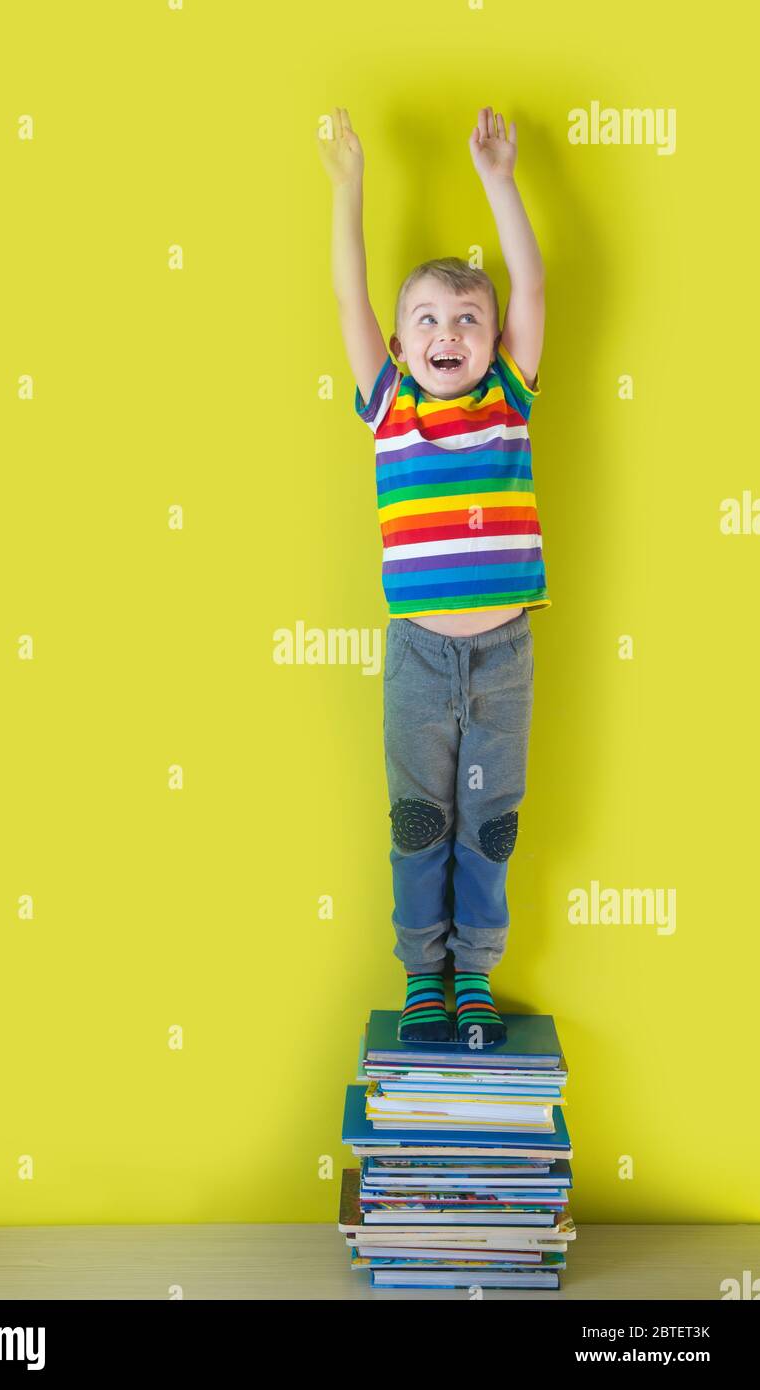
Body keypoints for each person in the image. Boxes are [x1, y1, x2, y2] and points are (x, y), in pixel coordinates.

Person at [317, 106, 551, 1046]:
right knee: (420, 820)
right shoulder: (389, 406)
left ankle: (475, 975)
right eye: (426, 319)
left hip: (504, 660)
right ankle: (423, 969)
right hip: (418, 659)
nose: (447, 330)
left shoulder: (510, 396)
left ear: (494, 341)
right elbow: (348, 302)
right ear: (403, 345)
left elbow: (529, 284)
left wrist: (499, 178)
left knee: (488, 823)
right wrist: (348, 191)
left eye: (467, 318)